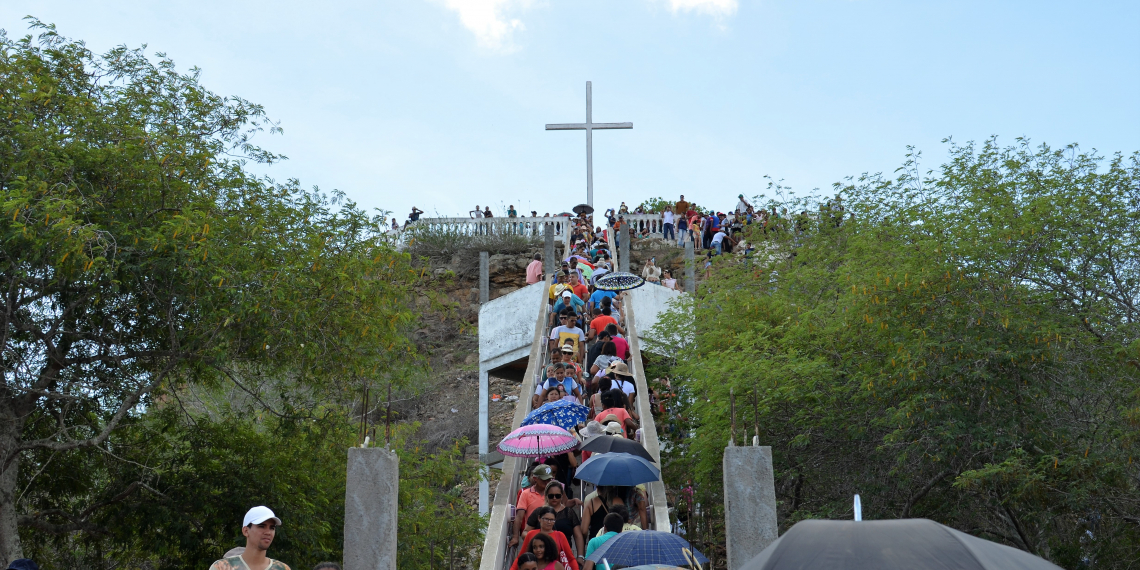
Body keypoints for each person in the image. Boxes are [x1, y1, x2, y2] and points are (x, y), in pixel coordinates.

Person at [209, 506, 291, 570]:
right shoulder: (222, 567)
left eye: (272, 528)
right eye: (261, 526)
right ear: (246, 531)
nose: (268, 532)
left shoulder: (282, 568)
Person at [524, 482, 585, 557]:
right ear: (546, 496)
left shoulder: (569, 513)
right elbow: (525, 532)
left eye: (557, 496)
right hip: (540, 555)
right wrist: (537, 537)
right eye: (551, 496)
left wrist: (580, 556)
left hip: (564, 555)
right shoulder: (538, 512)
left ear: (562, 496)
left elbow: (578, 535)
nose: (554, 498)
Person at [511, 464, 554, 547]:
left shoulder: (554, 493)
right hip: (533, 535)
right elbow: (519, 517)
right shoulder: (526, 494)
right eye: (543, 479)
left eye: (549, 480)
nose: (546, 482)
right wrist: (515, 537)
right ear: (535, 479)